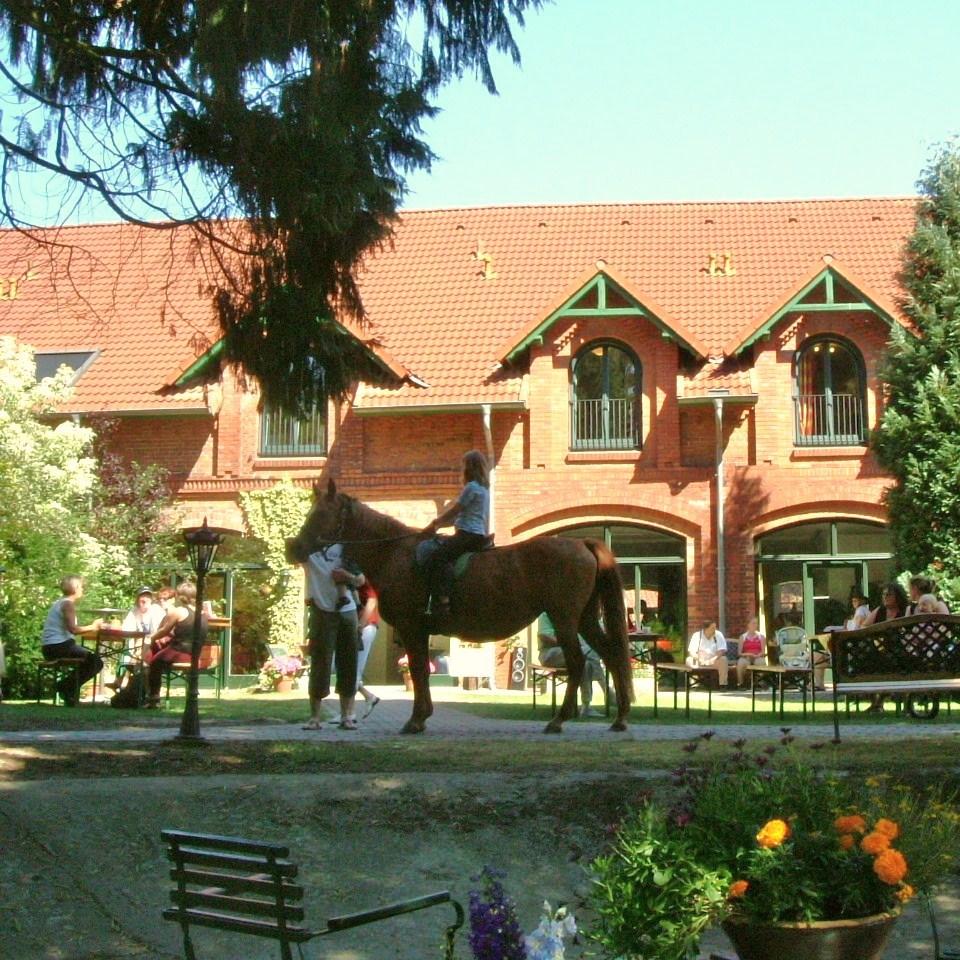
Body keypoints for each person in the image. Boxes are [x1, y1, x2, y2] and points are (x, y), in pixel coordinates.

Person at [301, 543, 365, 731]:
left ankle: (347, 717)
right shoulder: (308, 549)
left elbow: (361, 580)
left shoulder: (345, 547)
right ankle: (314, 718)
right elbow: (292, 551)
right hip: (322, 611)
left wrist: (348, 577)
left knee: (348, 663)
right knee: (320, 663)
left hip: (347, 612)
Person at [423, 450, 490, 616]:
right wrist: (441, 526)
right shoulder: (484, 490)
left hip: (467, 535)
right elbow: (461, 516)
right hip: (477, 534)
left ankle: (442, 600)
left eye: (464, 465)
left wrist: (435, 523)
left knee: (438, 556)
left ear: (470, 467)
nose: (462, 469)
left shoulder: (471, 487)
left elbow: (455, 510)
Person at [40, 575, 104, 706]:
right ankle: (66, 686)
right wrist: (93, 626)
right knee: (96, 662)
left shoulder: (60, 602)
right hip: (58, 646)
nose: (82, 589)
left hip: (52, 646)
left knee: (91, 660)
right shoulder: (67, 604)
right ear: (75, 588)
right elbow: (73, 630)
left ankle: (67, 688)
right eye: (81, 586)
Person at [143, 581, 208, 708]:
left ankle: (153, 698)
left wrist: (150, 638)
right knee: (159, 655)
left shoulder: (179, 611)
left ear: (179, 596)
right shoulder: (203, 614)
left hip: (179, 651)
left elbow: (164, 631)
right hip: (195, 654)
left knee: (154, 663)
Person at [537, 612, 610, 718]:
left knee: (587, 665)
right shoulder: (546, 614)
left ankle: (586, 706)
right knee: (589, 651)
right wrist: (568, 642)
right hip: (550, 653)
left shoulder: (570, 613)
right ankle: (607, 690)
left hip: (571, 651)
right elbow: (543, 635)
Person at [356, 578, 381, 718]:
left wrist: (361, 624)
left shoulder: (363, 576)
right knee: (348, 669)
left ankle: (348, 712)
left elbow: (372, 600)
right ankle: (369, 697)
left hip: (365, 627)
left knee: (354, 671)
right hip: (357, 626)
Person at [686, 619, 729, 687]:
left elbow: (722, 650)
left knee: (723, 659)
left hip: (714, 660)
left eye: (715, 627)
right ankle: (693, 683)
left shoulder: (718, 634)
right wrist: (700, 660)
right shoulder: (696, 635)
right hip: (699, 661)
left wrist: (713, 659)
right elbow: (692, 651)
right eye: (712, 628)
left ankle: (723, 684)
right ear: (705, 629)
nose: (715, 629)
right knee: (689, 660)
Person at [735, 616, 766, 687]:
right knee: (741, 663)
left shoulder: (761, 637)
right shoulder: (742, 637)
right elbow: (739, 653)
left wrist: (757, 655)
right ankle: (741, 683)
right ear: (748, 625)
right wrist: (748, 654)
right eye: (753, 623)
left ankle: (759, 683)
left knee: (761, 662)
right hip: (746, 656)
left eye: (756, 623)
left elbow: (763, 651)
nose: (755, 625)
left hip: (758, 656)